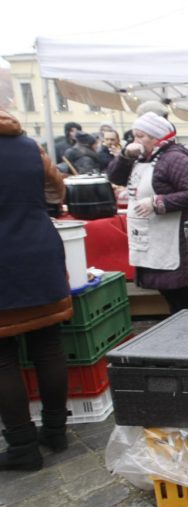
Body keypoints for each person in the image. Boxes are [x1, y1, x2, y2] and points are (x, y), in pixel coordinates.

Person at [0, 110, 72, 471]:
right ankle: (56, 431)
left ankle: (23, 446)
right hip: (38, 247)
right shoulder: (29, 147)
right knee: (48, 344)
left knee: (2, 357)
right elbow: (56, 190)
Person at [106, 112, 188, 314]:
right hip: (151, 235)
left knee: (181, 296)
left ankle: (187, 331)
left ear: (157, 137)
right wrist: (124, 156)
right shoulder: (139, 158)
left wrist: (158, 202)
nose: (136, 141)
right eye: (134, 136)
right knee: (173, 297)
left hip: (173, 239)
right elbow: (114, 176)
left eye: (141, 136)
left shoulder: (174, 158)